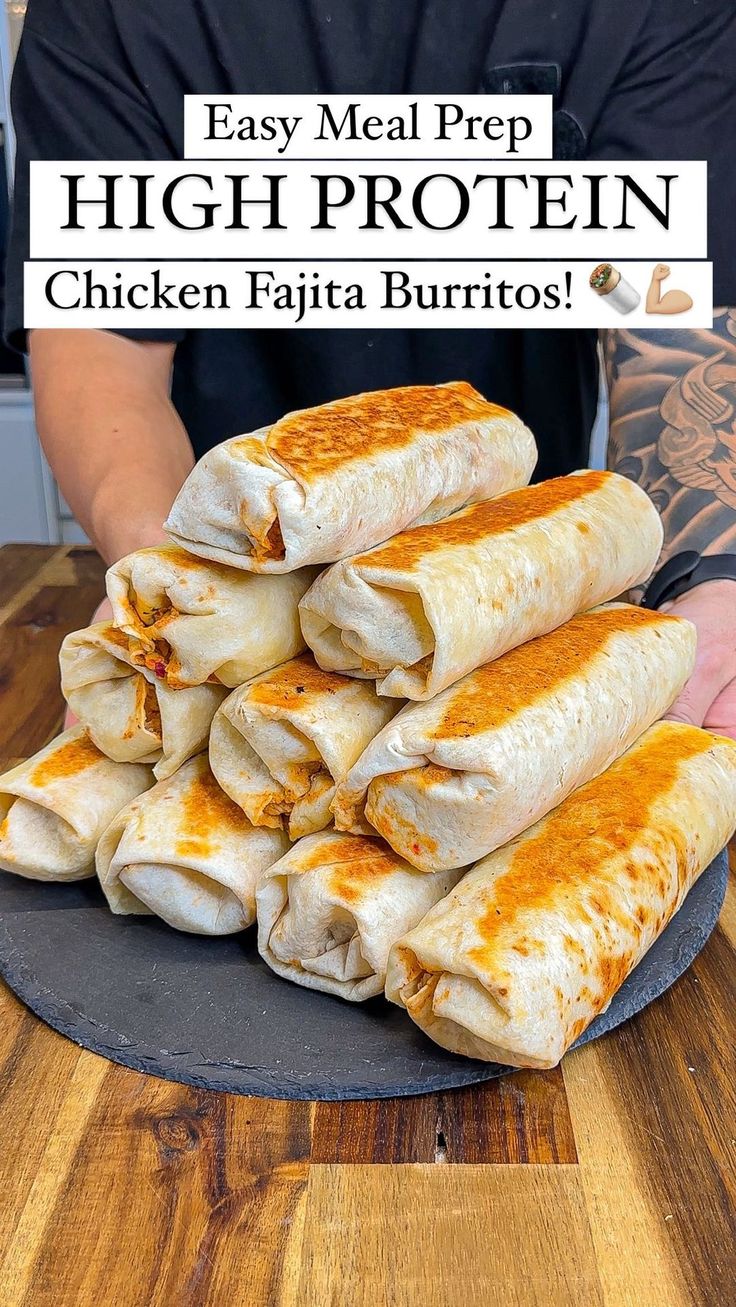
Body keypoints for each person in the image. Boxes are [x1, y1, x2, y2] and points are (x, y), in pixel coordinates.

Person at [5, 0, 736, 737]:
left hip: (522, 598)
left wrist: (710, 576)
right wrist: (172, 585)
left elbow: (669, 310)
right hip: (223, 551)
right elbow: (105, 341)